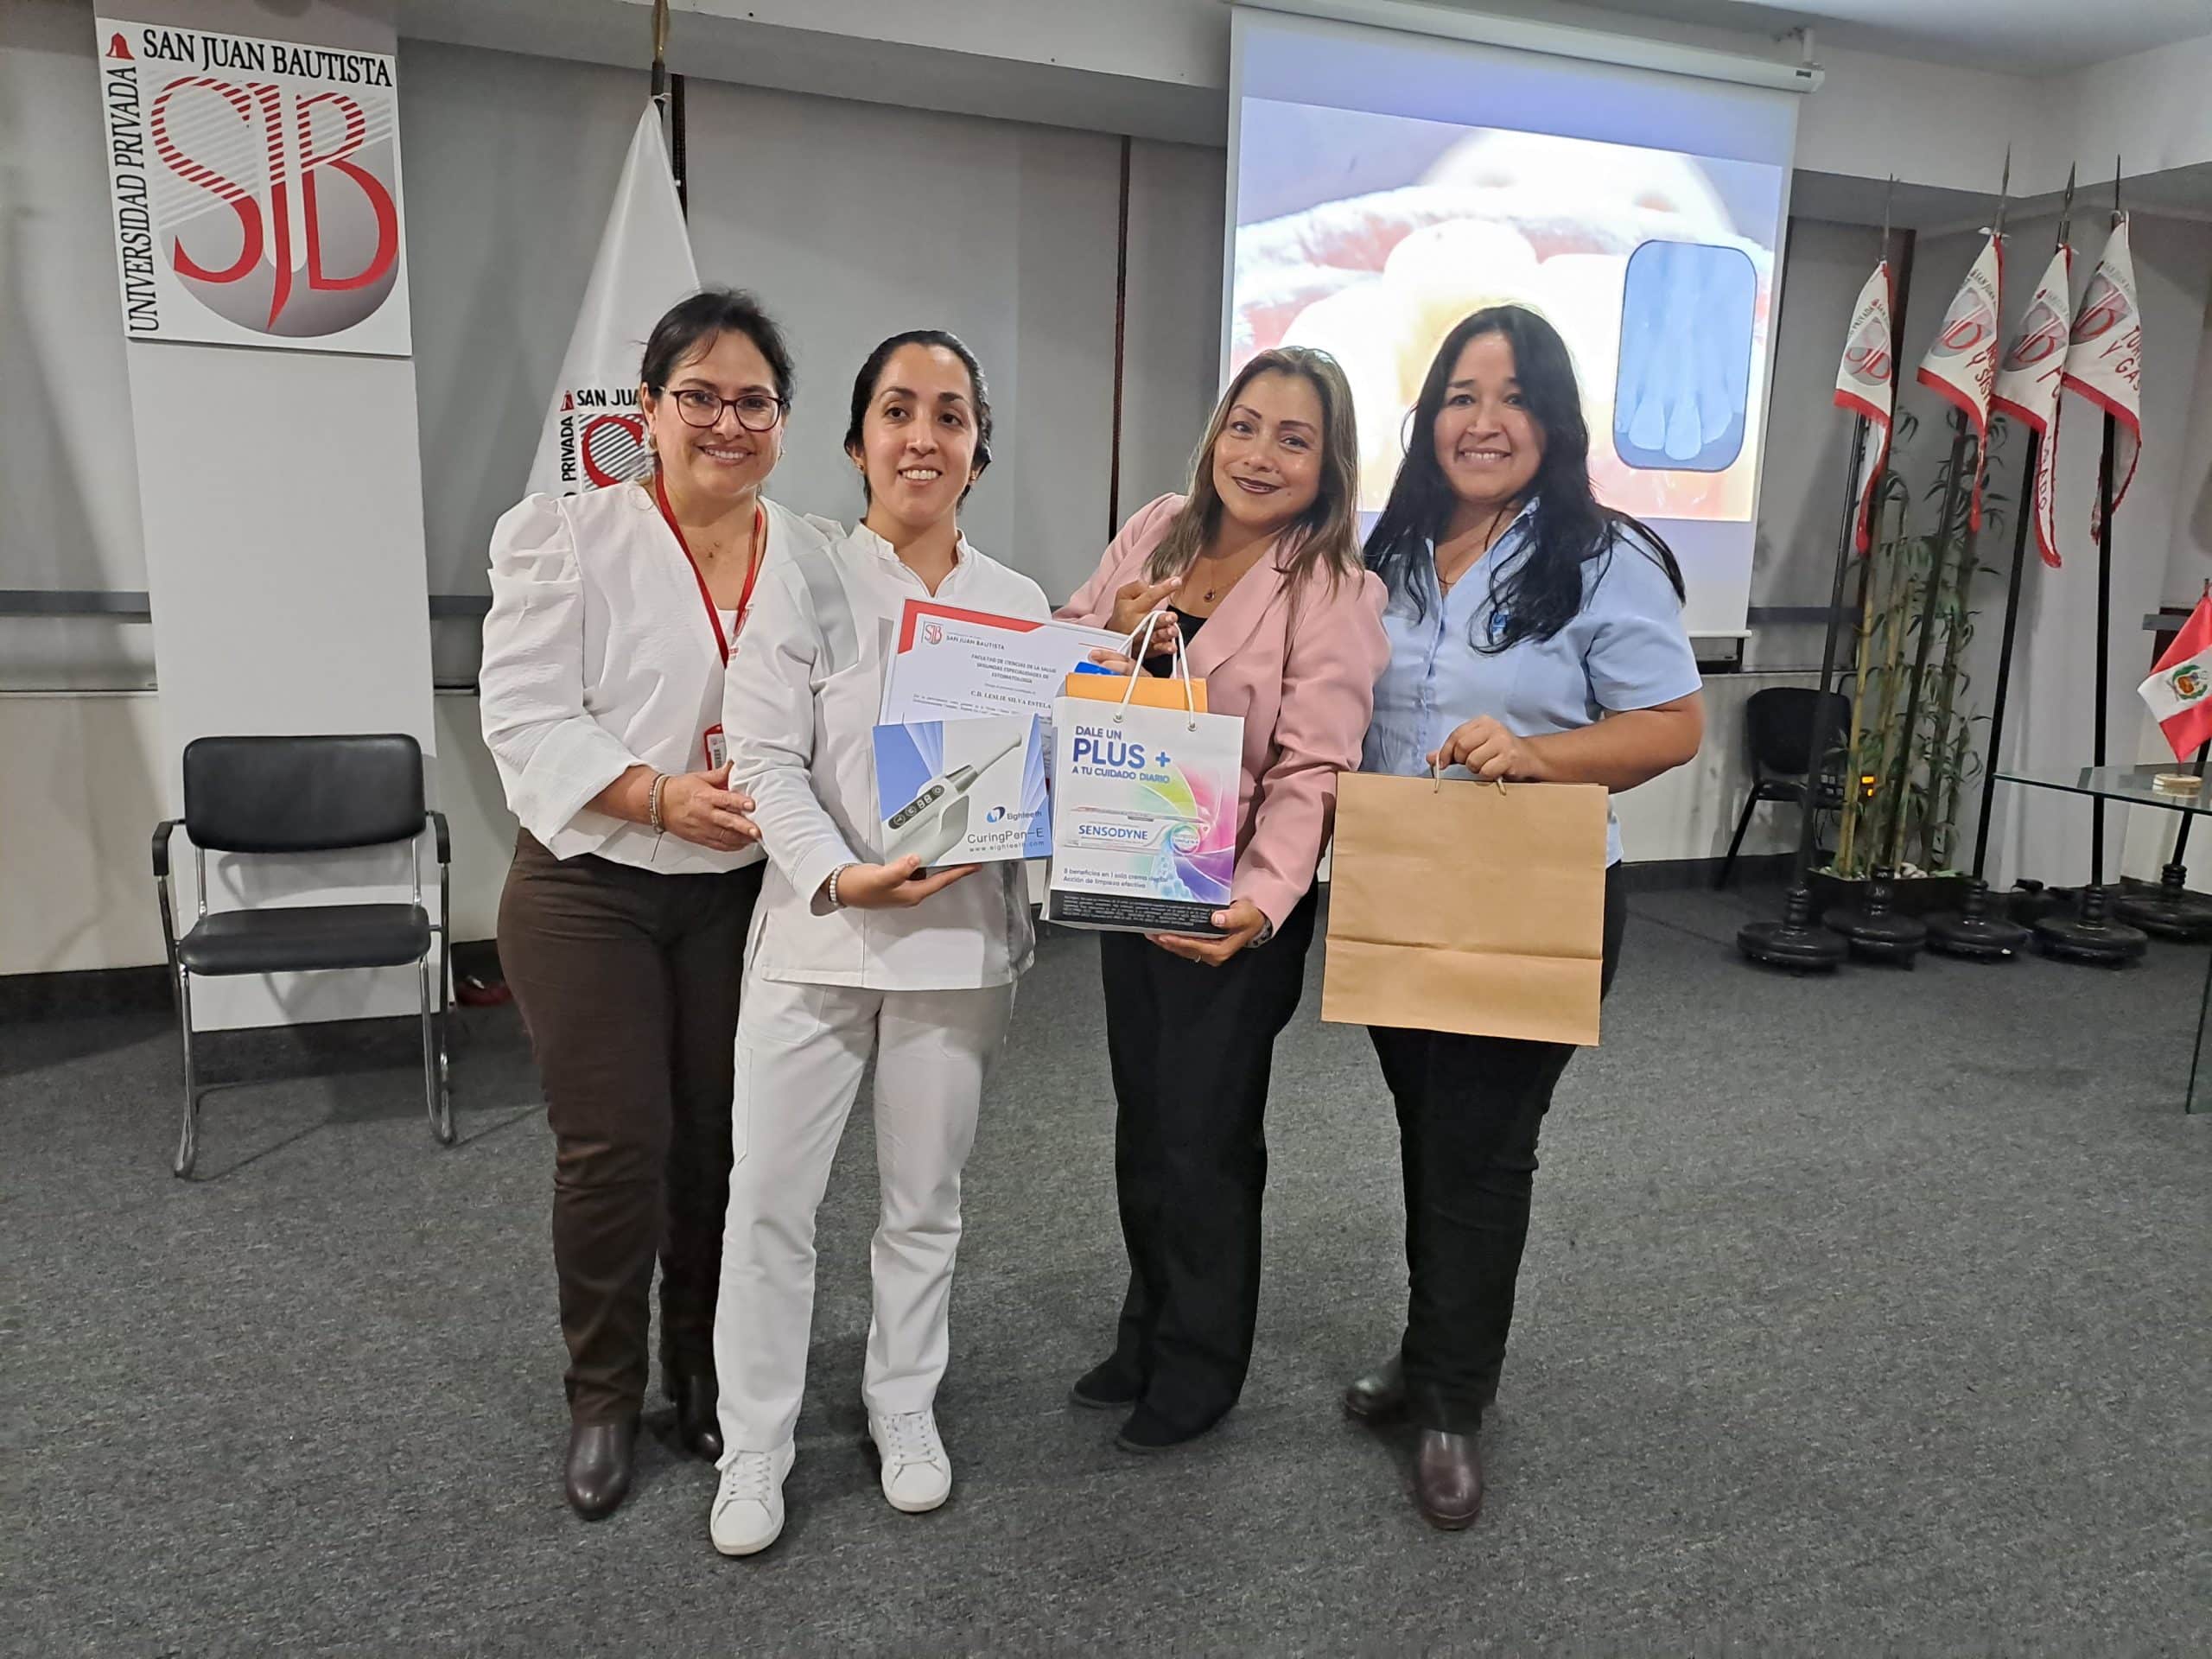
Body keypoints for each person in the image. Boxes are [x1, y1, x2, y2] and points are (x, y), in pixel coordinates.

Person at [1344, 304, 1703, 1529]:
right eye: (1460, 395)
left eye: (1511, 397)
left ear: (1553, 421)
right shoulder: (1389, 549)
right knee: (1426, 1132)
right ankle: (1427, 1351)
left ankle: (1453, 1402)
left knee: (1484, 1151)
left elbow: (1672, 725)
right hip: (1399, 882)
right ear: (1429, 417)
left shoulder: (1603, 557)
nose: (1482, 421)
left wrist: (1541, 755)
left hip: (1532, 892)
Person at [480, 289, 829, 1521]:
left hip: (741, 896)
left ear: (783, 420)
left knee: (723, 1144)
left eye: (754, 402)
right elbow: (525, 717)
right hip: (592, 889)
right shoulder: (566, 535)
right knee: (616, 1147)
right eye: (700, 397)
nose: (727, 423)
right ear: (648, 408)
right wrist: (657, 797)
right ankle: (603, 1395)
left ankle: (703, 1369)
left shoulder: (815, 555)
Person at [707, 330, 1046, 1557]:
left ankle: (903, 1404)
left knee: (924, 1202)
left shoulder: (1017, 608)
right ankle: (755, 1442)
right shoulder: (799, 576)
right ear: (857, 443)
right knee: (768, 1204)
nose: (923, 437)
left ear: (976, 452)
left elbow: (1033, 779)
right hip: (815, 938)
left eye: (950, 416)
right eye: (898, 411)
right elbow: (763, 760)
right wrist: (842, 875)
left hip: (956, 950)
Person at [1057, 346, 1389, 1452]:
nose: (1259, 454)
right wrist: (1110, 632)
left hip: (1230, 908)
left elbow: (1315, 767)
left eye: (1294, 439)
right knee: (1145, 1122)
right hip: (1125, 870)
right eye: (1244, 426)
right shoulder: (1159, 526)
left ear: (1328, 464)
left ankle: (1201, 1361)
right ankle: (1146, 1327)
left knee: (1205, 1138)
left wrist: (1259, 902)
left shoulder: (1335, 587)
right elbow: (1063, 658)